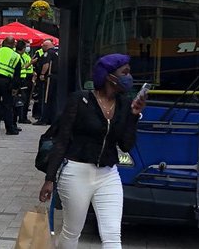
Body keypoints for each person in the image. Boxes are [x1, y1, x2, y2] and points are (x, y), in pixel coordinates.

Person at [39, 54, 147, 249]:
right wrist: (49, 178)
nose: (129, 77)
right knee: (72, 232)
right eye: (125, 72)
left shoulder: (123, 103)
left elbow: (126, 145)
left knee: (113, 235)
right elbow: (62, 140)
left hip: (108, 175)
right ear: (109, 77)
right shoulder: (80, 100)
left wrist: (133, 116)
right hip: (75, 173)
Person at [0, 36, 22, 135]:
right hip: (7, 82)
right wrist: (15, 87)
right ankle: (9, 129)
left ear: (3, 43)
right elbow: (17, 74)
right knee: (8, 106)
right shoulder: (16, 56)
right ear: (13, 44)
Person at [34, 39, 59, 126]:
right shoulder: (57, 51)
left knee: (46, 98)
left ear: (46, 46)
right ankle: (51, 118)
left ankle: (43, 118)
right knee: (53, 99)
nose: (42, 47)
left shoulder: (48, 53)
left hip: (50, 77)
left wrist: (42, 74)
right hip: (57, 77)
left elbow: (46, 64)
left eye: (43, 46)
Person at [16, 40, 34, 124]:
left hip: (27, 78)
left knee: (25, 99)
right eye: (26, 46)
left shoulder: (25, 55)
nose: (28, 48)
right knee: (23, 99)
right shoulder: (18, 56)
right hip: (22, 79)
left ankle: (23, 116)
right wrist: (31, 63)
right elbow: (22, 67)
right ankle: (22, 117)